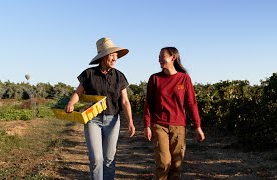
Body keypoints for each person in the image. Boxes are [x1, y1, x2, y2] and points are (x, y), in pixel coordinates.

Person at [65, 37, 135, 180]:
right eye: (112, 54)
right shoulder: (89, 74)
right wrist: (71, 103)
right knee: (96, 158)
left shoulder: (119, 76)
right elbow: (78, 93)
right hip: (92, 119)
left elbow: (125, 101)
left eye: (116, 55)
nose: (115, 58)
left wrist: (131, 122)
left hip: (112, 120)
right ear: (103, 57)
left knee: (109, 158)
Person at [143, 47, 205, 180]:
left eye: (162, 56)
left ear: (173, 58)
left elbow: (191, 104)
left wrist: (197, 126)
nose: (159, 59)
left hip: (179, 126)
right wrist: (146, 125)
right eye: (158, 56)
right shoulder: (155, 79)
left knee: (176, 165)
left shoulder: (184, 79)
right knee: (164, 163)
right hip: (159, 124)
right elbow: (149, 104)